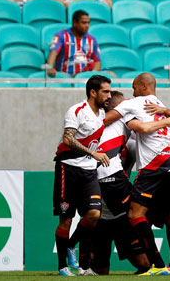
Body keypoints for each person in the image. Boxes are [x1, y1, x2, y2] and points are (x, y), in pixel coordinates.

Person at [105, 73, 170, 276]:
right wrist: (168, 120)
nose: (132, 92)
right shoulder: (160, 104)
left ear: (143, 86)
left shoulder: (133, 102)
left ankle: (158, 265)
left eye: (134, 87)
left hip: (154, 164)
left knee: (135, 214)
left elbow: (105, 119)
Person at [91, 90, 170, 275]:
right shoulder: (108, 123)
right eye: (124, 104)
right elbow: (145, 127)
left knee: (142, 263)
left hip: (117, 208)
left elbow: (155, 137)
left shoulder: (129, 138)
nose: (130, 106)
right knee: (100, 269)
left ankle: (156, 265)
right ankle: (160, 266)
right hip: (106, 201)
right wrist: (167, 120)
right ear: (116, 109)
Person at [53, 75, 112, 276]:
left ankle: (71, 245)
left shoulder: (103, 114)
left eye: (110, 91)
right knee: (66, 220)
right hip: (67, 169)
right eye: (105, 91)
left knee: (94, 214)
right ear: (93, 92)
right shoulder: (76, 111)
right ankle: (62, 267)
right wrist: (92, 153)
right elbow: (67, 139)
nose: (109, 95)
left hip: (88, 172)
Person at [46, 9, 101, 77]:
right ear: (75, 23)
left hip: (86, 77)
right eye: (84, 23)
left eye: (88, 23)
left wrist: (93, 74)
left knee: (111, 74)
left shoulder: (92, 39)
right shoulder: (61, 35)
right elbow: (53, 52)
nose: (87, 26)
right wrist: (50, 68)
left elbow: (97, 61)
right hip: (67, 76)